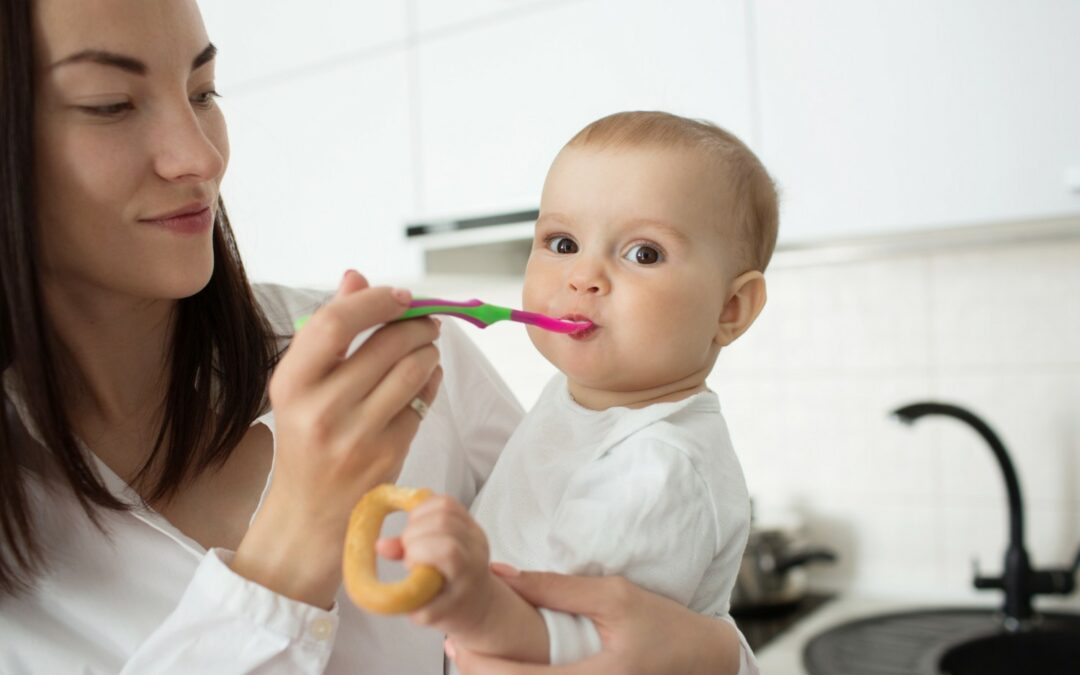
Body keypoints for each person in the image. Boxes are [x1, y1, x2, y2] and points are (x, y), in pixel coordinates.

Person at [0, 1, 754, 673]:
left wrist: (718, 658)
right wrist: (296, 536)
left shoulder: (408, 361)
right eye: (110, 104)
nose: (201, 157)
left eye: (204, 92)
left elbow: (609, 603)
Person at [389, 111, 776, 670]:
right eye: (562, 242)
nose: (583, 275)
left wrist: (464, 594)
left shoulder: (657, 464)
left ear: (730, 309)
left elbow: (584, 635)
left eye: (643, 253)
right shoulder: (578, 398)